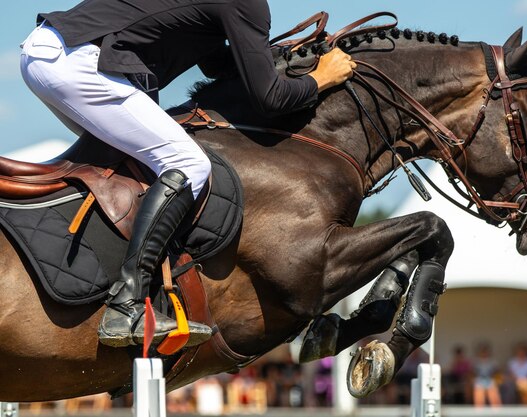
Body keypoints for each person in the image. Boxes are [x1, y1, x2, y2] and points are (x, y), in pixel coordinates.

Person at [20, 0, 355, 349]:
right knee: (188, 164)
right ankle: (127, 304)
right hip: (77, 63)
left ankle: (124, 285)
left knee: (136, 167)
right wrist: (322, 77)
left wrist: (266, 54)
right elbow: (269, 99)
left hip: (53, 52)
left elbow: (215, 62)